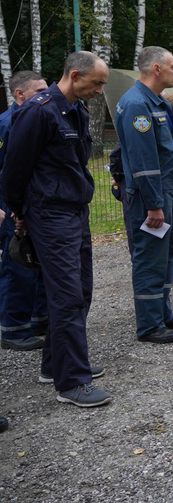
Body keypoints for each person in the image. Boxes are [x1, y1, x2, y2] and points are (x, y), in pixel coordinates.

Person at [0, 52, 112, 407]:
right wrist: (21, 213)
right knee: (67, 296)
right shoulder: (38, 110)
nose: (99, 91)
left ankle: (54, 364)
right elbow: (14, 169)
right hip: (49, 215)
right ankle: (71, 382)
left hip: (74, 212)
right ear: (75, 75)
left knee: (81, 289)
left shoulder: (75, 109)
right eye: (96, 83)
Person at [116, 46, 173, 344]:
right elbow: (143, 162)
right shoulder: (137, 104)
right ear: (156, 69)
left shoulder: (157, 102)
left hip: (167, 193)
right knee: (150, 258)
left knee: (167, 256)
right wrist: (154, 205)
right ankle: (149, 325)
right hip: (153, 198)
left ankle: (163, 314)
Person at [0, 70, 50, 351]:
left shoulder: (36, 117)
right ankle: (14, 329)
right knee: (17, 266)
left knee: (39, 263)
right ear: (20, 94)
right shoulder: (7, 123)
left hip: (35, 204)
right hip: (11, 206)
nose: (45, 94)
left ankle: (38, 317)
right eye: (39, 90)